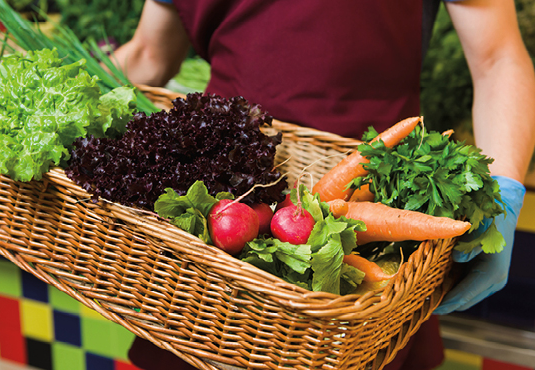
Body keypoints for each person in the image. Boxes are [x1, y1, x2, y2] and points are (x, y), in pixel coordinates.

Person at [112, 0, 535, 369]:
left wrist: (508, 189)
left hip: (376, 186)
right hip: (225, 212)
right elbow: (150, 54)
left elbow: (498, 58)